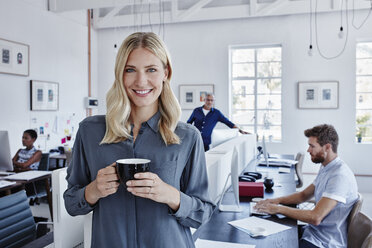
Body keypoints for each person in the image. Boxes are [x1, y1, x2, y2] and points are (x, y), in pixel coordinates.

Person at [64, 32, 214, 248]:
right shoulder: (90, 131)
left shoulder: (188, 137)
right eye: (130, 70)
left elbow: (203, 213)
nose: (141, 81)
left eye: (151, 69)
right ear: (120, 75)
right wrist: (94, 190)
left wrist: (170, 195)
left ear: (166, 72)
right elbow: (71, 203)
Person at [255, 124, 358, 248]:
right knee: (269, 234)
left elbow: (316, 217)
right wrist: (275, 201)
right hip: (313, 233)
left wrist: (278, 209)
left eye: (312, 146)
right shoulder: (327, 167)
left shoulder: (339, 176)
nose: (308, 150)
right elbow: (303, 195)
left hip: (324, 243)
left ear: (327, 147)